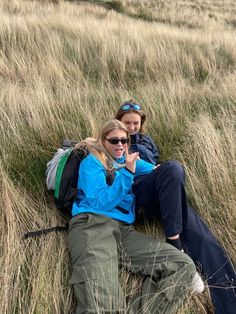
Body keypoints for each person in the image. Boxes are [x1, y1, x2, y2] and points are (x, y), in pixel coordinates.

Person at [115, 100, 236, 314]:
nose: (131, 127)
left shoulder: (148, 141)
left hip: (159, 193)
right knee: (173, 168)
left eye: (135, 123)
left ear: (141, 123)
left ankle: (230, 303)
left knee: (202, 237)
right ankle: (174, 243)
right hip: (135, 194)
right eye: (127, 123)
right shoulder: (116, 138)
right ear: (119, 121)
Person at [67, 119, 196, 314]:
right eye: (114, 140)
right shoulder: (92, 162)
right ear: (103, 141)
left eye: (124, 140)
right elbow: (99, 203)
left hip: (123, 231)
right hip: (93, 225)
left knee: (182, 266)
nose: (120, 145)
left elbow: (159, 171)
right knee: (102, 306)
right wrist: (127, 173)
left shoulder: (128, 160)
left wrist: (175, 175)